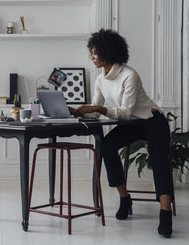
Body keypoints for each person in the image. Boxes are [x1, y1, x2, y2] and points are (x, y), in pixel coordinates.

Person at [70, 29, 174, 238]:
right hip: (132, 124)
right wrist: (77, 112)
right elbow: (97, 111)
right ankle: (125, 199)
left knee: (159, 160)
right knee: (107, 146)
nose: (92, 57)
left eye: (95, 53)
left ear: (108, 52)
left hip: (153, 122)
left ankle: (165, 212)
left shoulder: (129, 75)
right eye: (91, 52)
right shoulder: (100, 79)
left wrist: (96, 109)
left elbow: (125, 112)